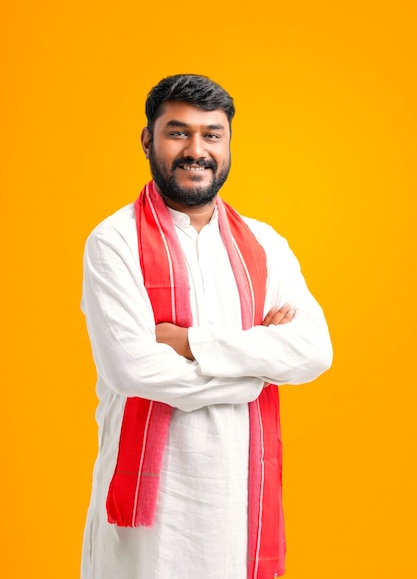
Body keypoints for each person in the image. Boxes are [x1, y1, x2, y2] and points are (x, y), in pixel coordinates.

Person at [81, 74, 333, 579]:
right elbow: (134, 370)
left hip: (239, 505)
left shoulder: (265, 244)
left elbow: (313, 351)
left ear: (228, 145)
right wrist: (257, 369)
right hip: (149, 518)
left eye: (211, 135)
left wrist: (189, 342)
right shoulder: (114, 242)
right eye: (178, 133)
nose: (196, 150)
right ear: (148, 140)